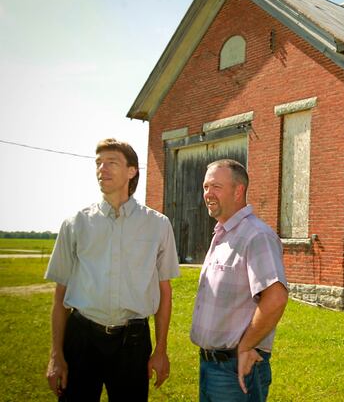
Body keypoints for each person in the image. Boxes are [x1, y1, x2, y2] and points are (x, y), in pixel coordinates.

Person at [45, 138, 180, 401]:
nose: (101, 169)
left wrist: (161, 349)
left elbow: (165, 292)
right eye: (98, 163)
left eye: (111, 163)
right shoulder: (75, 224)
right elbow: (60, 292)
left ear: (132, 171)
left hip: (133, 343)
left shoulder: (158, 225)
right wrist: (56, 355)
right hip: (81, 340)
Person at [191, 159, 288, 402]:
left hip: (236, 370)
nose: (208, 194)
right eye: (205, 187)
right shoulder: (223, 234)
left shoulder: (256, 235)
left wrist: (246, 346)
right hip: (211, 367)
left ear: (238, 191)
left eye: (216, 186)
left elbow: (275, 298)